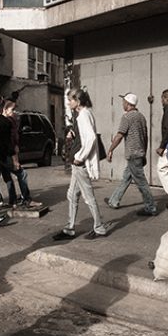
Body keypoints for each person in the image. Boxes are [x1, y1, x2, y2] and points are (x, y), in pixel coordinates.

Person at [53, 88, 107, 240]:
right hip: (78, 164)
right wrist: (74, 133)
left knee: (88, 196)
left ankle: (99, 227)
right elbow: (84, 136)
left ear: (78, 101)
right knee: (72, 195)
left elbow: (90, 138)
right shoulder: (82, 114)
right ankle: (70, 228)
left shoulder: (83, 115)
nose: (68, 102)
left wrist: (79, 156)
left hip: (80, 163)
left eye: (70, 99)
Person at [106, 92, 157, 216]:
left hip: (133, 154)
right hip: (139, 153)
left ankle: (151, 207)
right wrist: (144, 153)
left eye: (124, 101)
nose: (122, 103)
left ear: (128, 104)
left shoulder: (127, 117)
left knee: (141, 182)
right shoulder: (141, 117)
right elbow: (145, 137)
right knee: (126, 178)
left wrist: (110, 149)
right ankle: (114, 200)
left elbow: (119, 136)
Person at [2, 101, 42, 209]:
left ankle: (13, 200)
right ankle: (26, 200)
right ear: (5, 110)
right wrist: (15, 160)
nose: (15, 112)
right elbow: (11, 144)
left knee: (6, 177)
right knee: (22, 174)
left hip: (3, 155)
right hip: (6, 155)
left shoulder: (12, 121)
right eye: (12, 110)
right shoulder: (8, 123)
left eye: (15, 110)